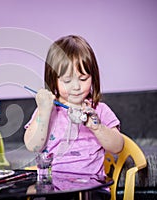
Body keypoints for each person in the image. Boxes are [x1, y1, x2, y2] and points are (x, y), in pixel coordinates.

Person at [24, 35, 124, 176]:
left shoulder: (99, 110)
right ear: (53, 79)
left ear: (93, 76)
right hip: (53, 188)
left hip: (90, 188)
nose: (76, 86)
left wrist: (97, 127)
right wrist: (43, 113)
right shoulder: (46, 109)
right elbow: (32, 146)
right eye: (67, 80)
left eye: (83, 79)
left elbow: (118, 147)